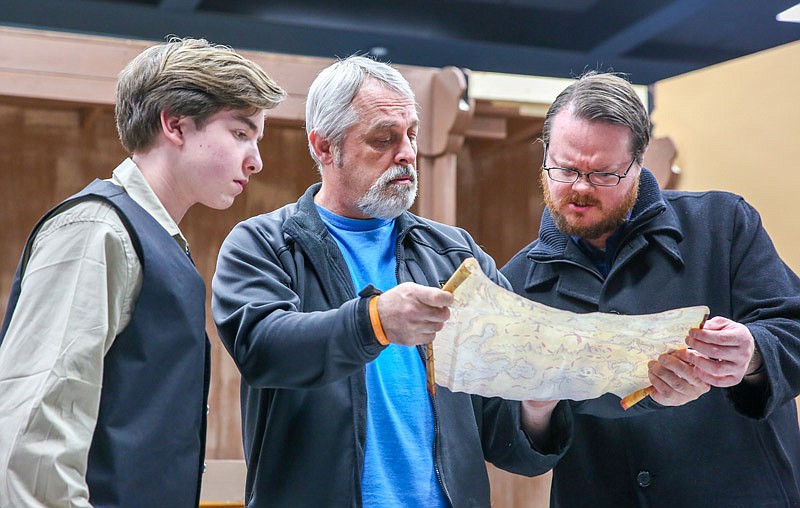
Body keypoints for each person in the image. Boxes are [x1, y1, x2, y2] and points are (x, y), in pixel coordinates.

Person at [211, 55, 572, 508]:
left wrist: (536, 408)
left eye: (411, 135)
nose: (405, 152)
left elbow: (502, 435)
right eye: (383, 138)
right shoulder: (265, 245)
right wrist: (375, 321)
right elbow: (264, 349)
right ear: (324, 147)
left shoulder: (455, 254)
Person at [0, 38, 285, 507]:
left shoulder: (152, 240)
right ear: (174, 123)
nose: (256, 159)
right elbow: (35, 434)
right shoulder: (97, 229)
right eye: (241, 133)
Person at [501, 71, 800, 507]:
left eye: (604, 174)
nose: (580, 189)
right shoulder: (518, 282)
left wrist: (752, 353)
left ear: (638, 163)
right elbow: (512, 448)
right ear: (545, 153)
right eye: (565, 169)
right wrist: (534, 407)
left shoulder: (724, 224)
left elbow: (793, 327)